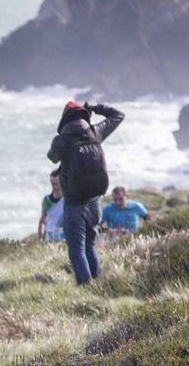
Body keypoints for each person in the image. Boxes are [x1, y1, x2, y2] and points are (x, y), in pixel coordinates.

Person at [47, 101, 125, 285]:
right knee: (89, 245)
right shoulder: (95, 132)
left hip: (74, 204)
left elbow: (52, 157)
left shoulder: (61, 141)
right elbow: (118, 115)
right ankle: (97, 285)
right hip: (94, 201)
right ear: (84, 115)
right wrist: (96, 108)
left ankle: (86, 288)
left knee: (76, 250)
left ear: (64, 118)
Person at [38, 172, 65, 242]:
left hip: (64, 238)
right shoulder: (47, 200)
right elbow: (42, 220)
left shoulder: (68, 200)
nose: (55, 186)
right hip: (49, 238)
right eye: (53, 184)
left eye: (57, 183)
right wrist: (40, 238)